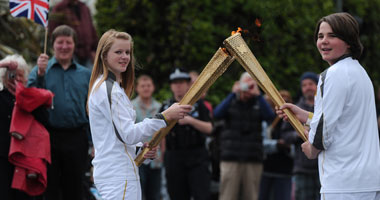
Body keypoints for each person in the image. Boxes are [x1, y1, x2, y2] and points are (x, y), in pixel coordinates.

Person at [276, 13, 380, 200]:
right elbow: (342, 121)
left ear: (349, 41)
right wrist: (305, 116)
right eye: (320, 36)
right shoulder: (360, 73)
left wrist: (313, 148)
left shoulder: (332, 74)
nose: (324, 41)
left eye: (332, 36)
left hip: (343, 182)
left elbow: (325, 129)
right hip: (367, 181)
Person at [87, 30, 192, 200]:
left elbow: (115, 137)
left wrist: (138, 150)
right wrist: (165, 116)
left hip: (121, 172)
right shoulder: (108, 89)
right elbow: (128, 134)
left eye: (127, 52)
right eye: (118, 52)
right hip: (117, 175)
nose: (125, 57)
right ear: (104, 56)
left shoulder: (113, 88)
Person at [28, 25, 91, 200]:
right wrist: (40, 75)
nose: (64, 46)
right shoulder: (40, 70)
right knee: (50, 189)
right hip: (49, 138)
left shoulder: (86, 74)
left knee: (76, 188)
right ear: (52, 45)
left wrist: (93, 142)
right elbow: (29, 98)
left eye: (68, 42)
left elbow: (94, 110)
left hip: (78, 137)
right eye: (60, 42)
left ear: (74, 45)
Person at [214, 72, 275, 200]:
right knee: (227, 196)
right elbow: (217, 114)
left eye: (251, 84)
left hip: (253, 159)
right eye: (245, 83)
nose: (248, 87)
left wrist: (258, 95)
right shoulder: (231, 101)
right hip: (231, 158)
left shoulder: (258, 103)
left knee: (251, 196)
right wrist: (232, 93)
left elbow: (270, 118)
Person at [161, 67, 212, 200]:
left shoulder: (199, 105)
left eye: (181, 82)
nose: (178, 86)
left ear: (188, 84)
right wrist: (162, 154)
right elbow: (160, 134)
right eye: (175, 82)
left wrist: (191, 121)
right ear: (171, 86)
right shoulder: (166, 107)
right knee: (176, 195)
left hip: (197, 156)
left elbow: (210, 128)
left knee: (202, 195)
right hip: (174, 157)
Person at [0, 54, 37, 200]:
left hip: (25, 161)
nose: (16, 80)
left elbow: (45, 119)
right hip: (3, 159)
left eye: (20, 76)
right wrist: (4, 64)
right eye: (12, 76)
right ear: (4, 78)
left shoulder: (32, 98)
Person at [286, 72, 320, 200]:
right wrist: (300, 133)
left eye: (311, 84)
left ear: (317, 85)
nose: (308, 87)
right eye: (304, 85)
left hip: (322, 165)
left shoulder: (325, 107)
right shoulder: (295, 109)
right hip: (302, 167)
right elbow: (285, 135)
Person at [131, 75, 163, 200]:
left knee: (155, 193)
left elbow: (163, 132)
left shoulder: (159, 106)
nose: (146, 88)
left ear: (153, 87)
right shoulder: (131, 106)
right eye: (142, 86)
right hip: (138, 156)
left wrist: (162, 154)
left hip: (156, 157)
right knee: (138, 193)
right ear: (137, 88)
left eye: (148, 85)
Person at [259, 90, 294, 200]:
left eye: (286, 100)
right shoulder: (268, 120)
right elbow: (261, 143)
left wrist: (289, 147)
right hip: (266, 169)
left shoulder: (294, 123)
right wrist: (277, 145)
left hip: (285, 171)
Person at [49, 0, 98, 68]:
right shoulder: (60, 8)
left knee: (89, 77)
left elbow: (91, 29)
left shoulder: (84, 7)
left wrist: (94, 50)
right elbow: (53, 32)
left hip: (87, 53)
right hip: (70, 53)